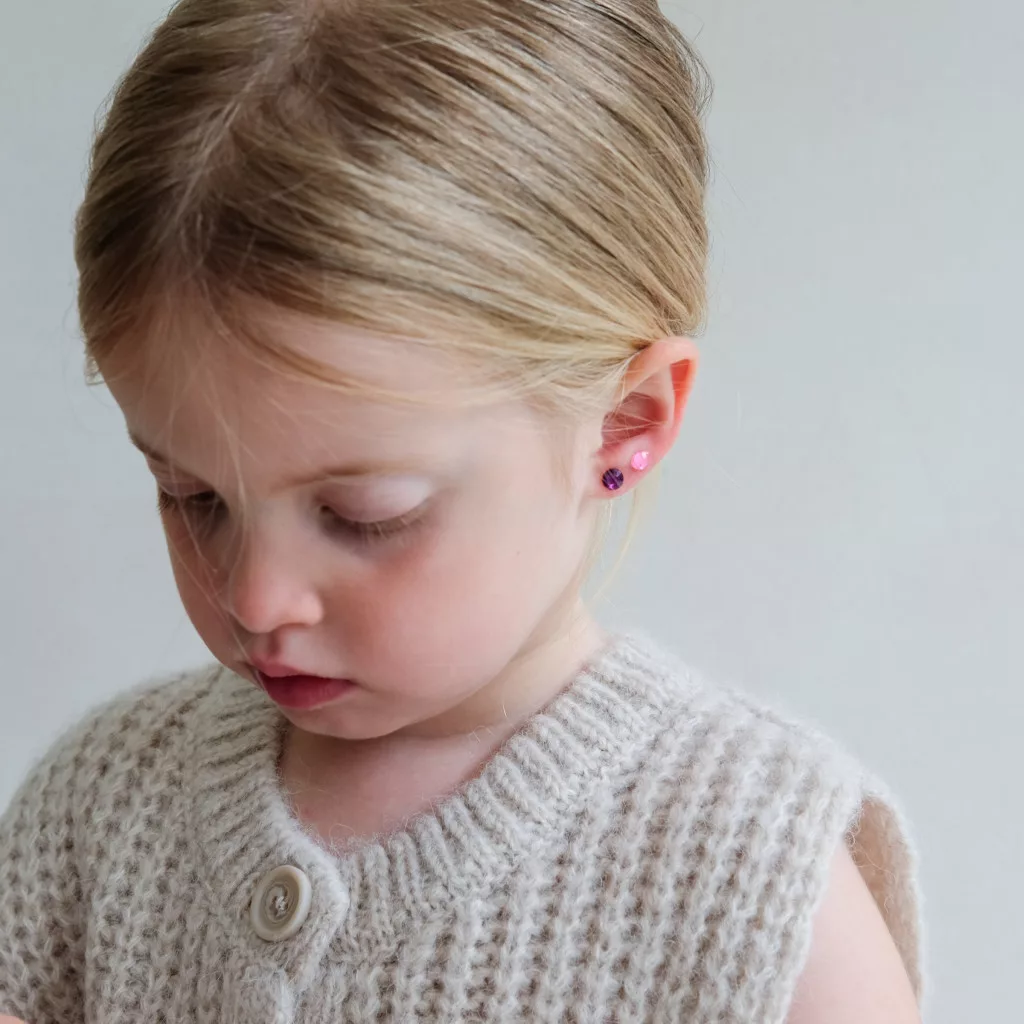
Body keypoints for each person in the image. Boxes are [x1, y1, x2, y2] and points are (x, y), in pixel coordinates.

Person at [0, 1, 924, 1021]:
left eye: (366, 514)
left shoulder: (760, 890)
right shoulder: (98, 809)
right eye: (193, 497)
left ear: (623, 425)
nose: (255, 597)